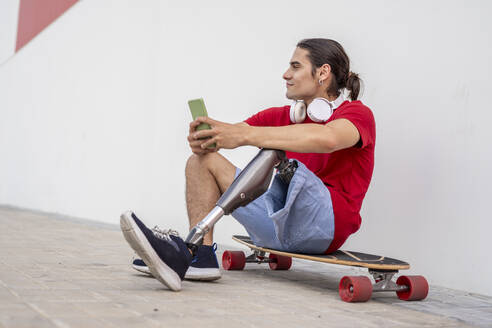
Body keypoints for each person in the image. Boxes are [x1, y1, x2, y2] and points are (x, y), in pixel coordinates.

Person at [120, 38, 375, 291]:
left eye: (295, 66)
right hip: (277, 226)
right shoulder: (281, 117)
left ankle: (186, 248)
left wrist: (247, 137)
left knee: (277, 157)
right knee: (202, 161)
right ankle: (198, 254)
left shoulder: (356, 114)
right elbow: (235, 132)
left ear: (323, 72)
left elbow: (328, 139)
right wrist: (209, 138)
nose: (286, 74)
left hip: (323, 228)